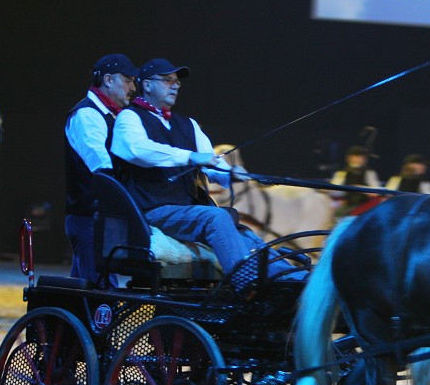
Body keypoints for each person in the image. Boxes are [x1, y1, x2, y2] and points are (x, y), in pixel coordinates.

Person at [110, 58, 300, 280]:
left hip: (186, 211)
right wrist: (191, 157)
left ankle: (289, 280)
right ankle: (246, 284)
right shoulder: (129, 117)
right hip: (150, 210)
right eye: (167, 80)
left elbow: (212, 164)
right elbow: (137, 151)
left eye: (177, 82)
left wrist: (231, 174)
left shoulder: (187, 124)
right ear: (147, 85)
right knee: (216, 217)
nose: (175, 85)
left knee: (244, 234)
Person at [64, 53, 138, 285]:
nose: (133, 87)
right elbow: (103, 169)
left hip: (99, 218)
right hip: (89, 218)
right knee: (99, 293)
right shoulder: (87, 115)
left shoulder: (111, 116)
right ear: (108, 80)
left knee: (84, 291)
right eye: (128, 80)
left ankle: (65, 320)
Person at [330, 145, 380, 218]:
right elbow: (334, 190)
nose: (358, 159)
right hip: (348, 204)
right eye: (355, 156)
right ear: (349, 158)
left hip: (365, 204)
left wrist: (361, 188)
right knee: (338, 213)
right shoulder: (342, 173)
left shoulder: (369, 172)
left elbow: (375, 191)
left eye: (360, 157)